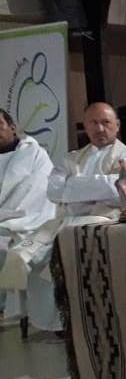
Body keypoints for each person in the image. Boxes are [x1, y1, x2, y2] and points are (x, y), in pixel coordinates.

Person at [0, 109, 59, 335]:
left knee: (18, 252)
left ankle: (46, 320)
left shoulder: (34, 155)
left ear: (12, 127)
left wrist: (8, 218)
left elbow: (37, 195)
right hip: (5, 225)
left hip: (35, 224)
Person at [47, 102, 126, 220]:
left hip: (111, 223)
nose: (99, 129)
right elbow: (53, 192)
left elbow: (122, 192)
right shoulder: (70, 158)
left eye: (106, 122)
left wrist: (71, 182)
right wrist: (103, 189)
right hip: (71, 224)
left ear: (117, 125)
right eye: (93, 123)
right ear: (85, 127)